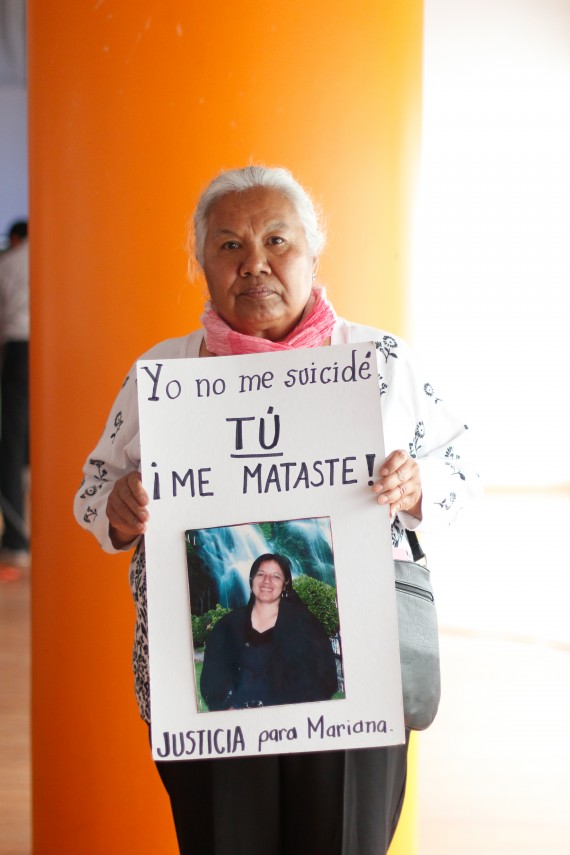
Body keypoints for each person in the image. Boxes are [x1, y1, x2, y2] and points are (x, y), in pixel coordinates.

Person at [73, 165, 480, 855]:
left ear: (313, 253)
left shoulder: (376, 361)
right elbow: (92, 492)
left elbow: (460, 470)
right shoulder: (164, 375)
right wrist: (118, 509)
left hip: (359, 679)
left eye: (276, 240)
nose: (253, 263)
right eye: (228, 244)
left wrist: (414, 485)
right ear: (201, 262)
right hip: (214, 690)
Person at [200, 553, 338, 711]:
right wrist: (228, 707)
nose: (267, 581)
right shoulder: (227, 626)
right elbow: (212, 677)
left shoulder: (306, 626)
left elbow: (325, 678)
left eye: (276, 576)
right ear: (251, 580)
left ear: (285, 584)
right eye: (261, 574)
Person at [0, 220, 30, 570]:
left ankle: (17, 539)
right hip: (58, 353)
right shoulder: (50, 259)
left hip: (18, 353)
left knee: (11, 443)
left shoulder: (9, 263)